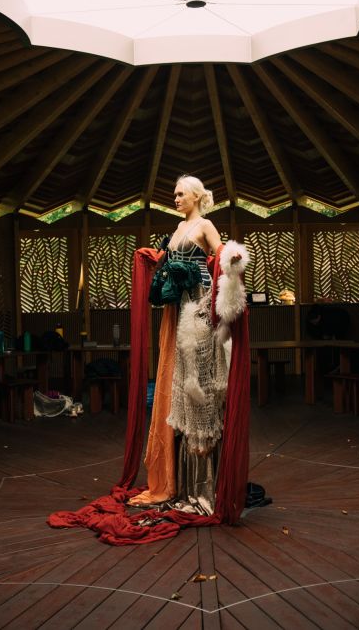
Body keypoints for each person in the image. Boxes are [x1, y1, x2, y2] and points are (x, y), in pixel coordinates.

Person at [129, 174, 245, 514]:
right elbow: (164, 259)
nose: (176, 198)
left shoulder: (205, 226)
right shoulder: (177, 229)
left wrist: (233, 258)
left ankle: (207, 486)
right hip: (178, 313)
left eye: (181, 194)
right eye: (174, 193)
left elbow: (221, 256)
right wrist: (151, 256)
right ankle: (181, 481)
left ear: (195, 196)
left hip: (201, 310)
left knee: (203, 388)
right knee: (182, 389)